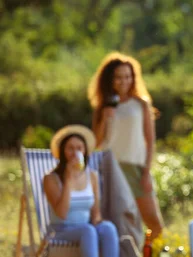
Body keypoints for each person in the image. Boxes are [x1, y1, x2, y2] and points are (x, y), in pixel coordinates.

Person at [87, 52, 164, 239]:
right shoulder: (103, 106)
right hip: (109, 169)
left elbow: (150, 140)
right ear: (110, 80)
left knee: (155, 224)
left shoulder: (141, 105)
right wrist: (105, 119)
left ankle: (144, 251)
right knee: (115, 224)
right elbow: (96, 142)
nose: (124, 81)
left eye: (128, 77)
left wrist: (146, 173)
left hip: (135, 169)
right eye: (119, 77)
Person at [43, 125, 119, 257]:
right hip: (60, 230)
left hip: (85, 227)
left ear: (84, 151)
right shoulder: (51, 179)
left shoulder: (92, 176)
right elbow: (61, 213)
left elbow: (96, 214)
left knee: (108, 228)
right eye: (70, 148)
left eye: (79, 148)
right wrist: (69, 179)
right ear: (62, 151)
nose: (75, 153)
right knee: (88, 230)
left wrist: (98, 223)